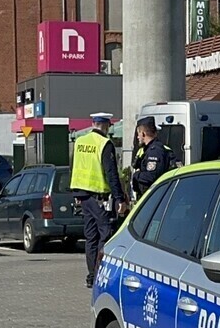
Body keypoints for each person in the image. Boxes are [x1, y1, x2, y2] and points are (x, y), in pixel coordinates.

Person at [71, 113, 125, 287]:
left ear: (93, 123)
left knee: (91, 237)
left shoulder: (80, 141)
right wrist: (119, 198)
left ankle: (91, 275)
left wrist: (76, 193)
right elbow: (111, 173)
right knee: (106, 233)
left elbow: (74, 167)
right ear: (107, 126)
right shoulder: (104, 144)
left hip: (83, 196)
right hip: (99, 196)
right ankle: (100, 273)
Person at [130, 116, 175, 200]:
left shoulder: (155, 151)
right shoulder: (148, 150)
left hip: (155, 197)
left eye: (138, 134)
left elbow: (151, 177)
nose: (137, 137)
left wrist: (136, 175)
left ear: (143, 133)